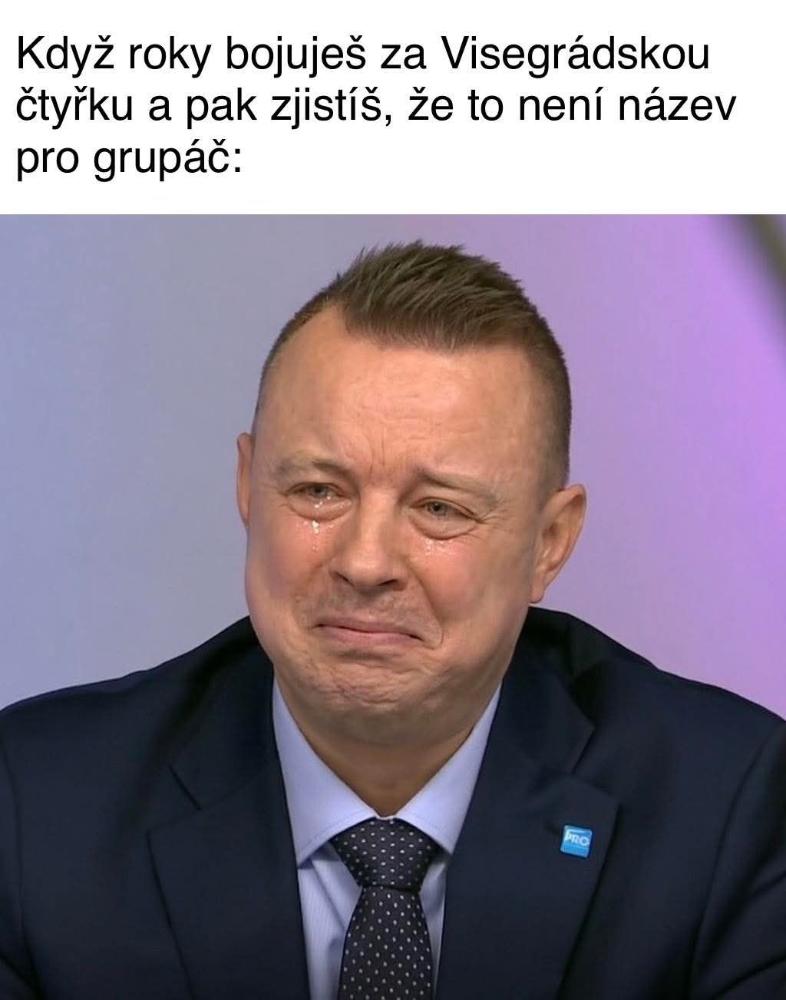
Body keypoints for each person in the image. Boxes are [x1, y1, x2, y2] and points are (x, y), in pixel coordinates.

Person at [0, 242, 783, 1000]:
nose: (365, 561)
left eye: (438, 509)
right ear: (247, 487)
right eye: (318, 492)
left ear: (550, 543)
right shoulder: (35, 808)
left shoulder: (726, 810)